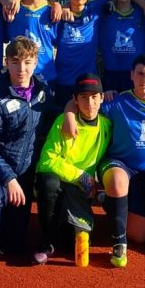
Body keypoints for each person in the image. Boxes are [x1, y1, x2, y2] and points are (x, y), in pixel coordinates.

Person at [66, 53, 145, 267]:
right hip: (120, 164)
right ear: (131, 75)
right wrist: (69, 115)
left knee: (139, 235)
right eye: (140, 73)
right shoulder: (116, 101)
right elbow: (81, 101)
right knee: (117, 181)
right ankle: (119, 242)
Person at [0, 36, 52, 279]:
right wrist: (8, 177)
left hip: (24, 171)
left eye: (27, 62)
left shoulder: (43, 91)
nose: (21, 69)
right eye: (15, 62)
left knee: (15, 245)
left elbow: (59, 114)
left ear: (36, 63)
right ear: (6, 62)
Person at [35, 73, 113, 264]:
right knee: (48, 183)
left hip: (82, 190)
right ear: (75, 100)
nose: (90, 103)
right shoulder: (64, 122)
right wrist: (80, 175)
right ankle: (48, 243)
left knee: (73, 244)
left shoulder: (107, 126)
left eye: (94, 97)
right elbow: (46, 160)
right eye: (84, 98)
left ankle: (68, 226)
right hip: (62, 182)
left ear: (102, 98)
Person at [97, 0, 145, 92]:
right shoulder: (104, 9)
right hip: (110, 74)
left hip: (136, 75)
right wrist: (64, 6)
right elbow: (83, 3)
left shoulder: (142, 9)